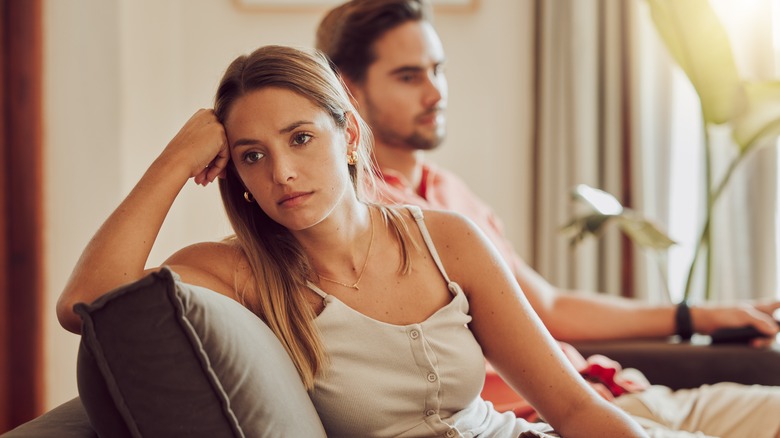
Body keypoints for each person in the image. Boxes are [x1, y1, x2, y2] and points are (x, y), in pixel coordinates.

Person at [56, 45, 647, 437]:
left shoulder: (447, 239)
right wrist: (175, 160)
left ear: (349, 135)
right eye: (252, 156)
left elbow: (573, 407)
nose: (281, 172)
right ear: (232, 174)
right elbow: (86, 303)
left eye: (302, 138)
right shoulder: (236, 273)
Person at [316, 0, 780, 437]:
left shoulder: (449, 190)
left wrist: (694, 316)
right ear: (348, 89)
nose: (435, 92)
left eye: (438, 70)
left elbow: (547, 306)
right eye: (408, 76)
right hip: (549, 417)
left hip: (619, 392)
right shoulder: (361, 223)